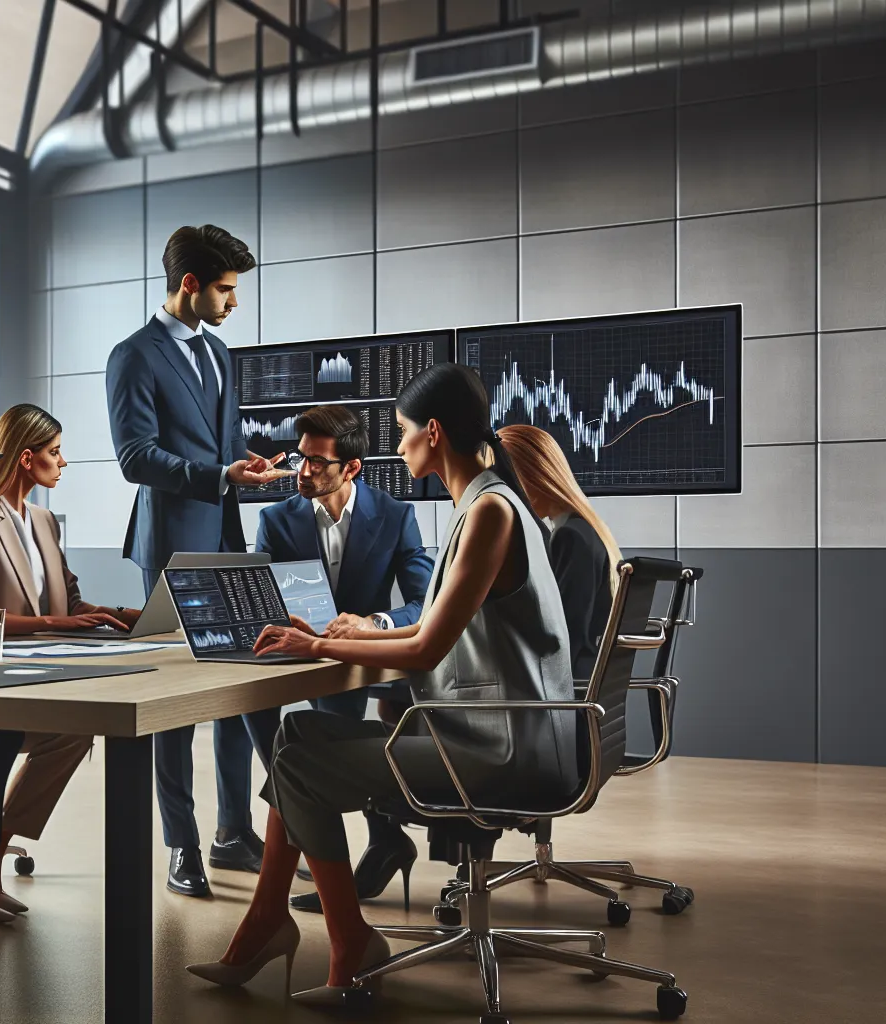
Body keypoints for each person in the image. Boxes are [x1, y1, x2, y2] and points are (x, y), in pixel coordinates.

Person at [186, 362, 580, 1004]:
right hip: (503, 736)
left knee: (298, 758)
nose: (396, 445)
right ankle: (278, 923)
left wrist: (317, 642)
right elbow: (427, 623)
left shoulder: (487, 514)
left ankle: (338, 939)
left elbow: (426, 648)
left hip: (499, 751)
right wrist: (348, 634)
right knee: (296, 736)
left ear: (433, 432)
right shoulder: (484, 505)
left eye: (401, 431)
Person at [105, 223, 291, 898]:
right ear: (190, 284)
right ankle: (181, 847)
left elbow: (219, 446)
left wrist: (243, 470)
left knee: (239, 692)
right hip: (172, 547)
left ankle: (232, 833)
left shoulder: (221, 353)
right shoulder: (133, 356)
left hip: (225, 541)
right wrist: (218, 476)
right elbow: (134, 459)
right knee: (176, 709)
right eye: (224, 289)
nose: (232, 303)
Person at [0, 404, 138, 912]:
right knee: (18, 730)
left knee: (76, 729)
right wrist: (56, 624)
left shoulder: (46, 521)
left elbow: (70, 604)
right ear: (27, 458)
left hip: (48, 675)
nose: (63, 462)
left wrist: (120, 614)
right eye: (55, 453)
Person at [250, 404, 434, 913]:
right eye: (301, 458)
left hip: (363, 658)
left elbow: (425, 602)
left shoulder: (395, 515)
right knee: (254, 705)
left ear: (351, 467)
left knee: (335, 714)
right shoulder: (275, 519)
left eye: (317, 463)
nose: (302, 471)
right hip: (302, 651)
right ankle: (321, 815)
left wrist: (374, 623)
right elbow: (266, 600)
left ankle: (355, 829)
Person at [497, 423, 623, 679]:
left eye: (508, 481)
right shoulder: (585, 530)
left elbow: (564, 636)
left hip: (565, 696)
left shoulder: (571, 537)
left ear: (531, 476)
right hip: (579, 687)